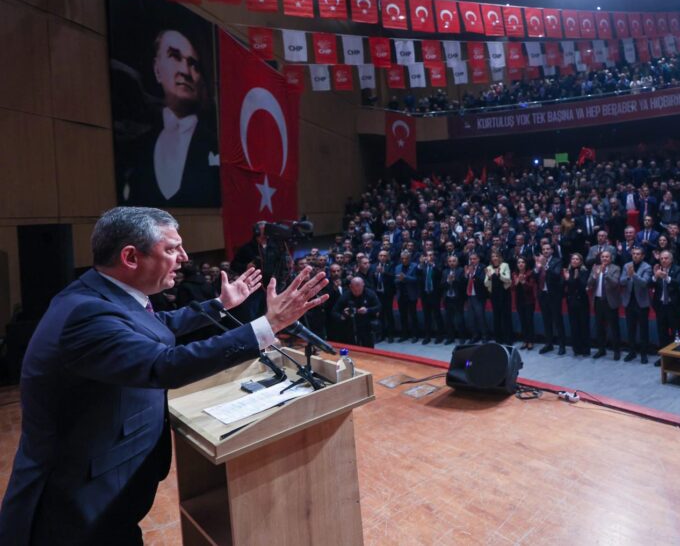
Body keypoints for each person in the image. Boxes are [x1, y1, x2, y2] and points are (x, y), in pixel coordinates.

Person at [0, 207, 326, 544]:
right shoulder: (88, 316)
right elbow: (165, 365)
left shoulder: (102, 293)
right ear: (130, 257)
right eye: (172, 249)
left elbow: (156, 327)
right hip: (75, 508)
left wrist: (219, 305)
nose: (184, 257)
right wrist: (268, 326)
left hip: (102, 492)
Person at [119, 29, 221, 207]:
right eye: (175, 56)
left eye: (194, 64)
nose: (185, 71)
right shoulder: (139, 149)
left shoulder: (217, 144)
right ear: (157, 69)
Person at [587, 250, 623, 359]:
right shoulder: (595, 267)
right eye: (603, 257)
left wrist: (605, 274)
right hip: (598, 301)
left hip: (610, 301)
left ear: (611, 258)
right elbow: (589, 283)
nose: (604, 259)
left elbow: (615, 284)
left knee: (614, 327)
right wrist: (595, 275)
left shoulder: (616, 268)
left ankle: (617, 351)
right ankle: (601, 349)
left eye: (607, 257)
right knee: (599, 327)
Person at [650, 250, 680, 366]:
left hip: (673, 307)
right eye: (662, 258)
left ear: (671, 259)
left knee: (676, 333)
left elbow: (679, 283)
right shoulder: (657, 269)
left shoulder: (678, 269)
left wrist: (667, 278)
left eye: (666, 258)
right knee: (662, 333)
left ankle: (677, 357)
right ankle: (664, 357)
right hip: (660, 306)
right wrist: (655, 276)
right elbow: (650, 284)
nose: (663, 260)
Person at [620, 247, 653, 363]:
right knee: (630, 329)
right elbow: (621, 281)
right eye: (633, 253)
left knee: (643, 329)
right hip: (629, 301)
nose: (635, 256)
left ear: (643, 256)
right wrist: (629, 276)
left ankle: (644, 354)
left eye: (638, 254)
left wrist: (633, 275)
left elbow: (644, 283)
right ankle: (632, 352)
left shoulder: (647, 267)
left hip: (642, 302)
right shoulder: (626, 265)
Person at [534, 244, 566, 355]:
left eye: (548, 249)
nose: (546, 251)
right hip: (543, 294)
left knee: (558, 320)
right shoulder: (539, 261)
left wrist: (545, 266)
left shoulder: (557, 261)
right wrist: (537, 269)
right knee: (546, 320)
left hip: (554, 295)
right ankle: (549, 344)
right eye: (543, 249)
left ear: (552, 250)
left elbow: (557, 275)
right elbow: (535, 277)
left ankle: (562, 345)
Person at [332, 276, 380, 347]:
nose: (357, 292)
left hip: (366, 327)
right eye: (355, 290)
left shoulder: (369, 293)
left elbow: (379, 306)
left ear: (363, 285)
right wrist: (342, 316)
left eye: (359, 289)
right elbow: (334, 312)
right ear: (350, 287)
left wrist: (367, 310)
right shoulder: (345, 296)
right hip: (350, 328)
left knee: (368, 349)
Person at [563, 253, 591, 356]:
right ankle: (576, 349)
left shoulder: (584, 271)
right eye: (573, 259)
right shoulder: (567, 271)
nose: (574, 261)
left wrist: (575, 279)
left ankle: (585, 349)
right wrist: (567, 280)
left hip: (582, 301)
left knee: (584, 325)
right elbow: (565, 286)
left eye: (577, 259)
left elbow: (583, 286)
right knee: (574, 326)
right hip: (571, 301)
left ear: (581, 261)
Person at [484, 252, 513, 344]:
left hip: (504, 293)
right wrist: (489, 278)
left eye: (497, 256)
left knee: (506, 316)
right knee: (497, 317)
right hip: (494, 295)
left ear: (500, 257)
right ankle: (498, 339)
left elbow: (508, 279)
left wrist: (499, 275)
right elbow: (486, 284)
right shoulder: (488, 268)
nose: (495, 258)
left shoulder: (505, 265)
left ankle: (508, 339)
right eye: (493, 256)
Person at [393, 251, 420, 341]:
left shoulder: (415, 266)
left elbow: (417, 279)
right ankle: (404, 334)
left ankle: (415, 335)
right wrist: (399, 279)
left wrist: (405, 277)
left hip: (411, 295)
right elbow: (395, 280)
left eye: (406, 258)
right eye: (402, 258)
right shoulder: (397, 267)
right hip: (401, 295)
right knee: (403, 316)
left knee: (413, 316)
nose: (404, 260)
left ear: (410, 258)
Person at [463, 254, 490, 343]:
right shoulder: (467, 267)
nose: (472, 260)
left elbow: (483, 280)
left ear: (478, 259)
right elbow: (463, 281)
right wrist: (466, 275)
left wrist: (473, 274)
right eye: (470, 259)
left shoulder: (483, 267)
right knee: (471, 317)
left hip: (479, 295)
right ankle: (475, 335)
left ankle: (485, 336)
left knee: (480, 317)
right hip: (469, 295)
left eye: (474, 259)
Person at [418, 251, 444, 344]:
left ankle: (440, 335)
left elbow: (440, 274)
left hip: (435, 294)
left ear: (434, 256)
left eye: (431, 255)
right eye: (427, 255)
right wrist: (421, 264)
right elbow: (418, 275)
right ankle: (427, 336)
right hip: (425, 294)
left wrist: (433, 265)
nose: (429, 257)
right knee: (426, 316)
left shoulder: (438, 265)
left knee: (437, 315)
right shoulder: (423, 266)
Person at [513, 257, 538, 350]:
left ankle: (531, 341)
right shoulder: (515, 273)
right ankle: (525, 340)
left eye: (523, 262)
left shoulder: (530, 273)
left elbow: (531, 287)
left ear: (526, 264)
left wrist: (523, 282)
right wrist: (515, 283)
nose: (520, 264)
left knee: (529, 321)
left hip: (529, 300)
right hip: (519, 300)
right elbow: (511, 288)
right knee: (522, 321)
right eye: (519, 262)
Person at [371, 250, 396, 341]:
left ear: (387, 257)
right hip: (377, 294)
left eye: (384, 256)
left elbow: (393, 277)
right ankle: (381, 334)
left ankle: (391, 335)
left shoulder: (391, 265)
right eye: (380, 255)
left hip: (388, 294)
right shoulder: (373, 266)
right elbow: (371, 278)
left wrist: (384, 272)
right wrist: (375, 273)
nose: (382, 257)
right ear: (378, 256)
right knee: (380, 315)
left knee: (389, 314)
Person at [441, 254, 466, 344]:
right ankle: (450, 337)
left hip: (458, 298)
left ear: (457, 262)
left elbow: (463, 285)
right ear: (447, 263)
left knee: (460, 319)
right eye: (450, 261)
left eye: (453, 261)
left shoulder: (461, 270)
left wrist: (454, 280)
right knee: (448, 319)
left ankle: (462, 338)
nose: (451, 263)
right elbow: (442, 285)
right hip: (447, 298)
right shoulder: (444, 272)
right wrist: (448, 281)